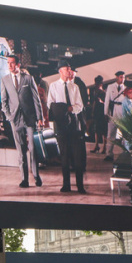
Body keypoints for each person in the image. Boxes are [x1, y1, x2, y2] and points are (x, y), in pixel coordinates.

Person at [0, 55, 43, 188]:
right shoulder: (5, 80)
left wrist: (40, 117)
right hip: (15, 120)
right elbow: (4, 101)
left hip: (30, 118)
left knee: (33, 148)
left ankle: (36, 176)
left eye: (12, 63)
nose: (10, 66)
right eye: (8, 63)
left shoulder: (28, 79)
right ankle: (24, 179)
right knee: (21, 150)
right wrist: (9, 117)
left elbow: (36, 100)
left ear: (18, 64)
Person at [48, 59, 86, 193]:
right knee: (64, 155)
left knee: (77, 155)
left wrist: (69, 109)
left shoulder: (74, 87)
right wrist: (61, 110)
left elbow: (80, 106)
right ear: (60, 71)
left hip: (74, 124)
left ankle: (80, 186)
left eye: (70, 69)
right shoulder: (53, 86)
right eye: (66, 69)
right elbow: (50, 104)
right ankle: (66, 185)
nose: (69, 71)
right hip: (61, 124)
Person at [103, 71, 127, 161]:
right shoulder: (110, 87)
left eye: (124, 77)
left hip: (121, 111)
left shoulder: (125, 88)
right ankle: (109, 154)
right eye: (121, 77)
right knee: (110, 134)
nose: (122, 79)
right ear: (116, 77)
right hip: (112, 112)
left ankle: (125, 152)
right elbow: (107, 101)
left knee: (124, 134)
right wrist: (105, 113)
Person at [89, 76, 106, 153]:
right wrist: (92, 112)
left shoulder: (103, 92)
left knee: (103, 130)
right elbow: (94, 103)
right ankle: (97, 146)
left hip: (102, 112)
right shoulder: (94, 91)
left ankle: (104, 147)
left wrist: (101, 102)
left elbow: (106, 103)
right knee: (96, 130)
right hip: (97, 112)